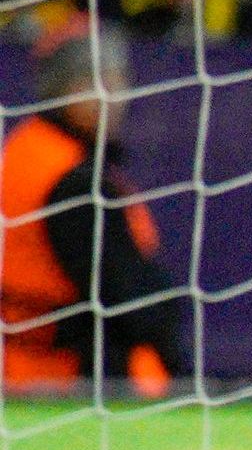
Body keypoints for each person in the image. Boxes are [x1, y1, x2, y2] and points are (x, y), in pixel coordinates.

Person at [0, 23, 189, 393]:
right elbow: (125, 297)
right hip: (75, 385)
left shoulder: (27, 150)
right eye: (107, 83)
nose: (118, 99)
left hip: (24, 373)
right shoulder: (73, 182)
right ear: (72, 90)